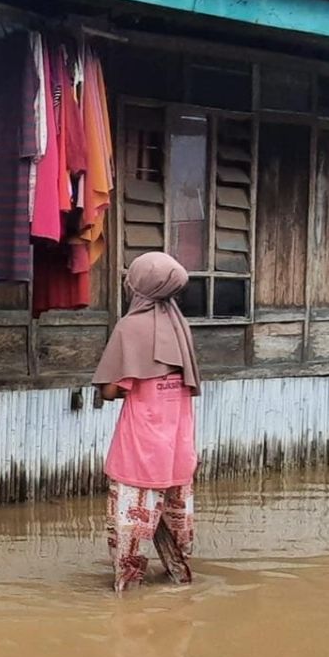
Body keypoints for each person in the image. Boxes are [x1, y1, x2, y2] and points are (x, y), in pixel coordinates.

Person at [93, 251, 201, 592]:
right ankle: (180, 589)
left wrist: (127, 385)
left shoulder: (130, 326)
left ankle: (127, 608)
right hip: (177, 450)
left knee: (130, 539)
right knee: (174, 532)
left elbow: (111, 390)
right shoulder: (181, 327)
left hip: (140, 451)